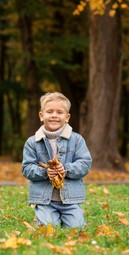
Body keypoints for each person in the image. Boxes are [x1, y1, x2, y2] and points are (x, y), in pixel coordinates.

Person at [22, 92, 92, 228]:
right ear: (41, 116)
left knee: (76, 228)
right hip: (45, 200)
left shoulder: (76, 140)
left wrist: (66, 168)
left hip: (70, 200)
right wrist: (44, 172)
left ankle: (71, 217)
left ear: (67, 117)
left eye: (59, 112)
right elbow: (27, 168)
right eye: (49, 111)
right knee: (49, 228)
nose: (54, 115)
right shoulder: (32, 142)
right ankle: (42, 215)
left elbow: (85, 164)